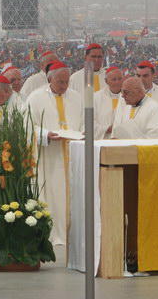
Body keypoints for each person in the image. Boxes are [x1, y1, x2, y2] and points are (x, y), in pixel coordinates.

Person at [26, 61, 83, 245]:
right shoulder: (35, 98)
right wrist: (44, 134)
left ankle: (73, 234)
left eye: (67, 82)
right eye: (60, 82)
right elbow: (26, 126)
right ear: (50, 79)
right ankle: (52, 234)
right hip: (49, 158)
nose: (64, 86)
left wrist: (82, 133)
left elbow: (84, 122)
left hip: (73, 156)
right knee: (52, 195)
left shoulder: (77, 97)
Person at [94, 66, 123, 139]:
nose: (117, 82)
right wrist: (106, 129)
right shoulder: (96, 97)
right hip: (104, 139)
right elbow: (89, 122)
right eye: (114, 79)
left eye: (120, 79)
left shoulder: (130, 96)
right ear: (106, 81)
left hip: (123, 139)